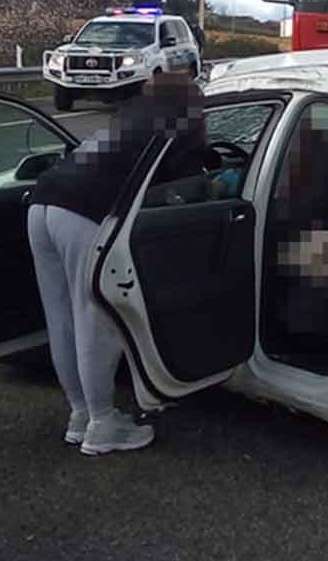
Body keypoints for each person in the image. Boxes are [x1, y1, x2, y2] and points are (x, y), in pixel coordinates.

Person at [26, 71, 207, 456]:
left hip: (43, 200)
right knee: (97, 317)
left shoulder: (130, 116)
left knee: (61, 316)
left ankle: (80, 416)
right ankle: (103, 423)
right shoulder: (180, 122)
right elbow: (188, 181)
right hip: (88, 213)